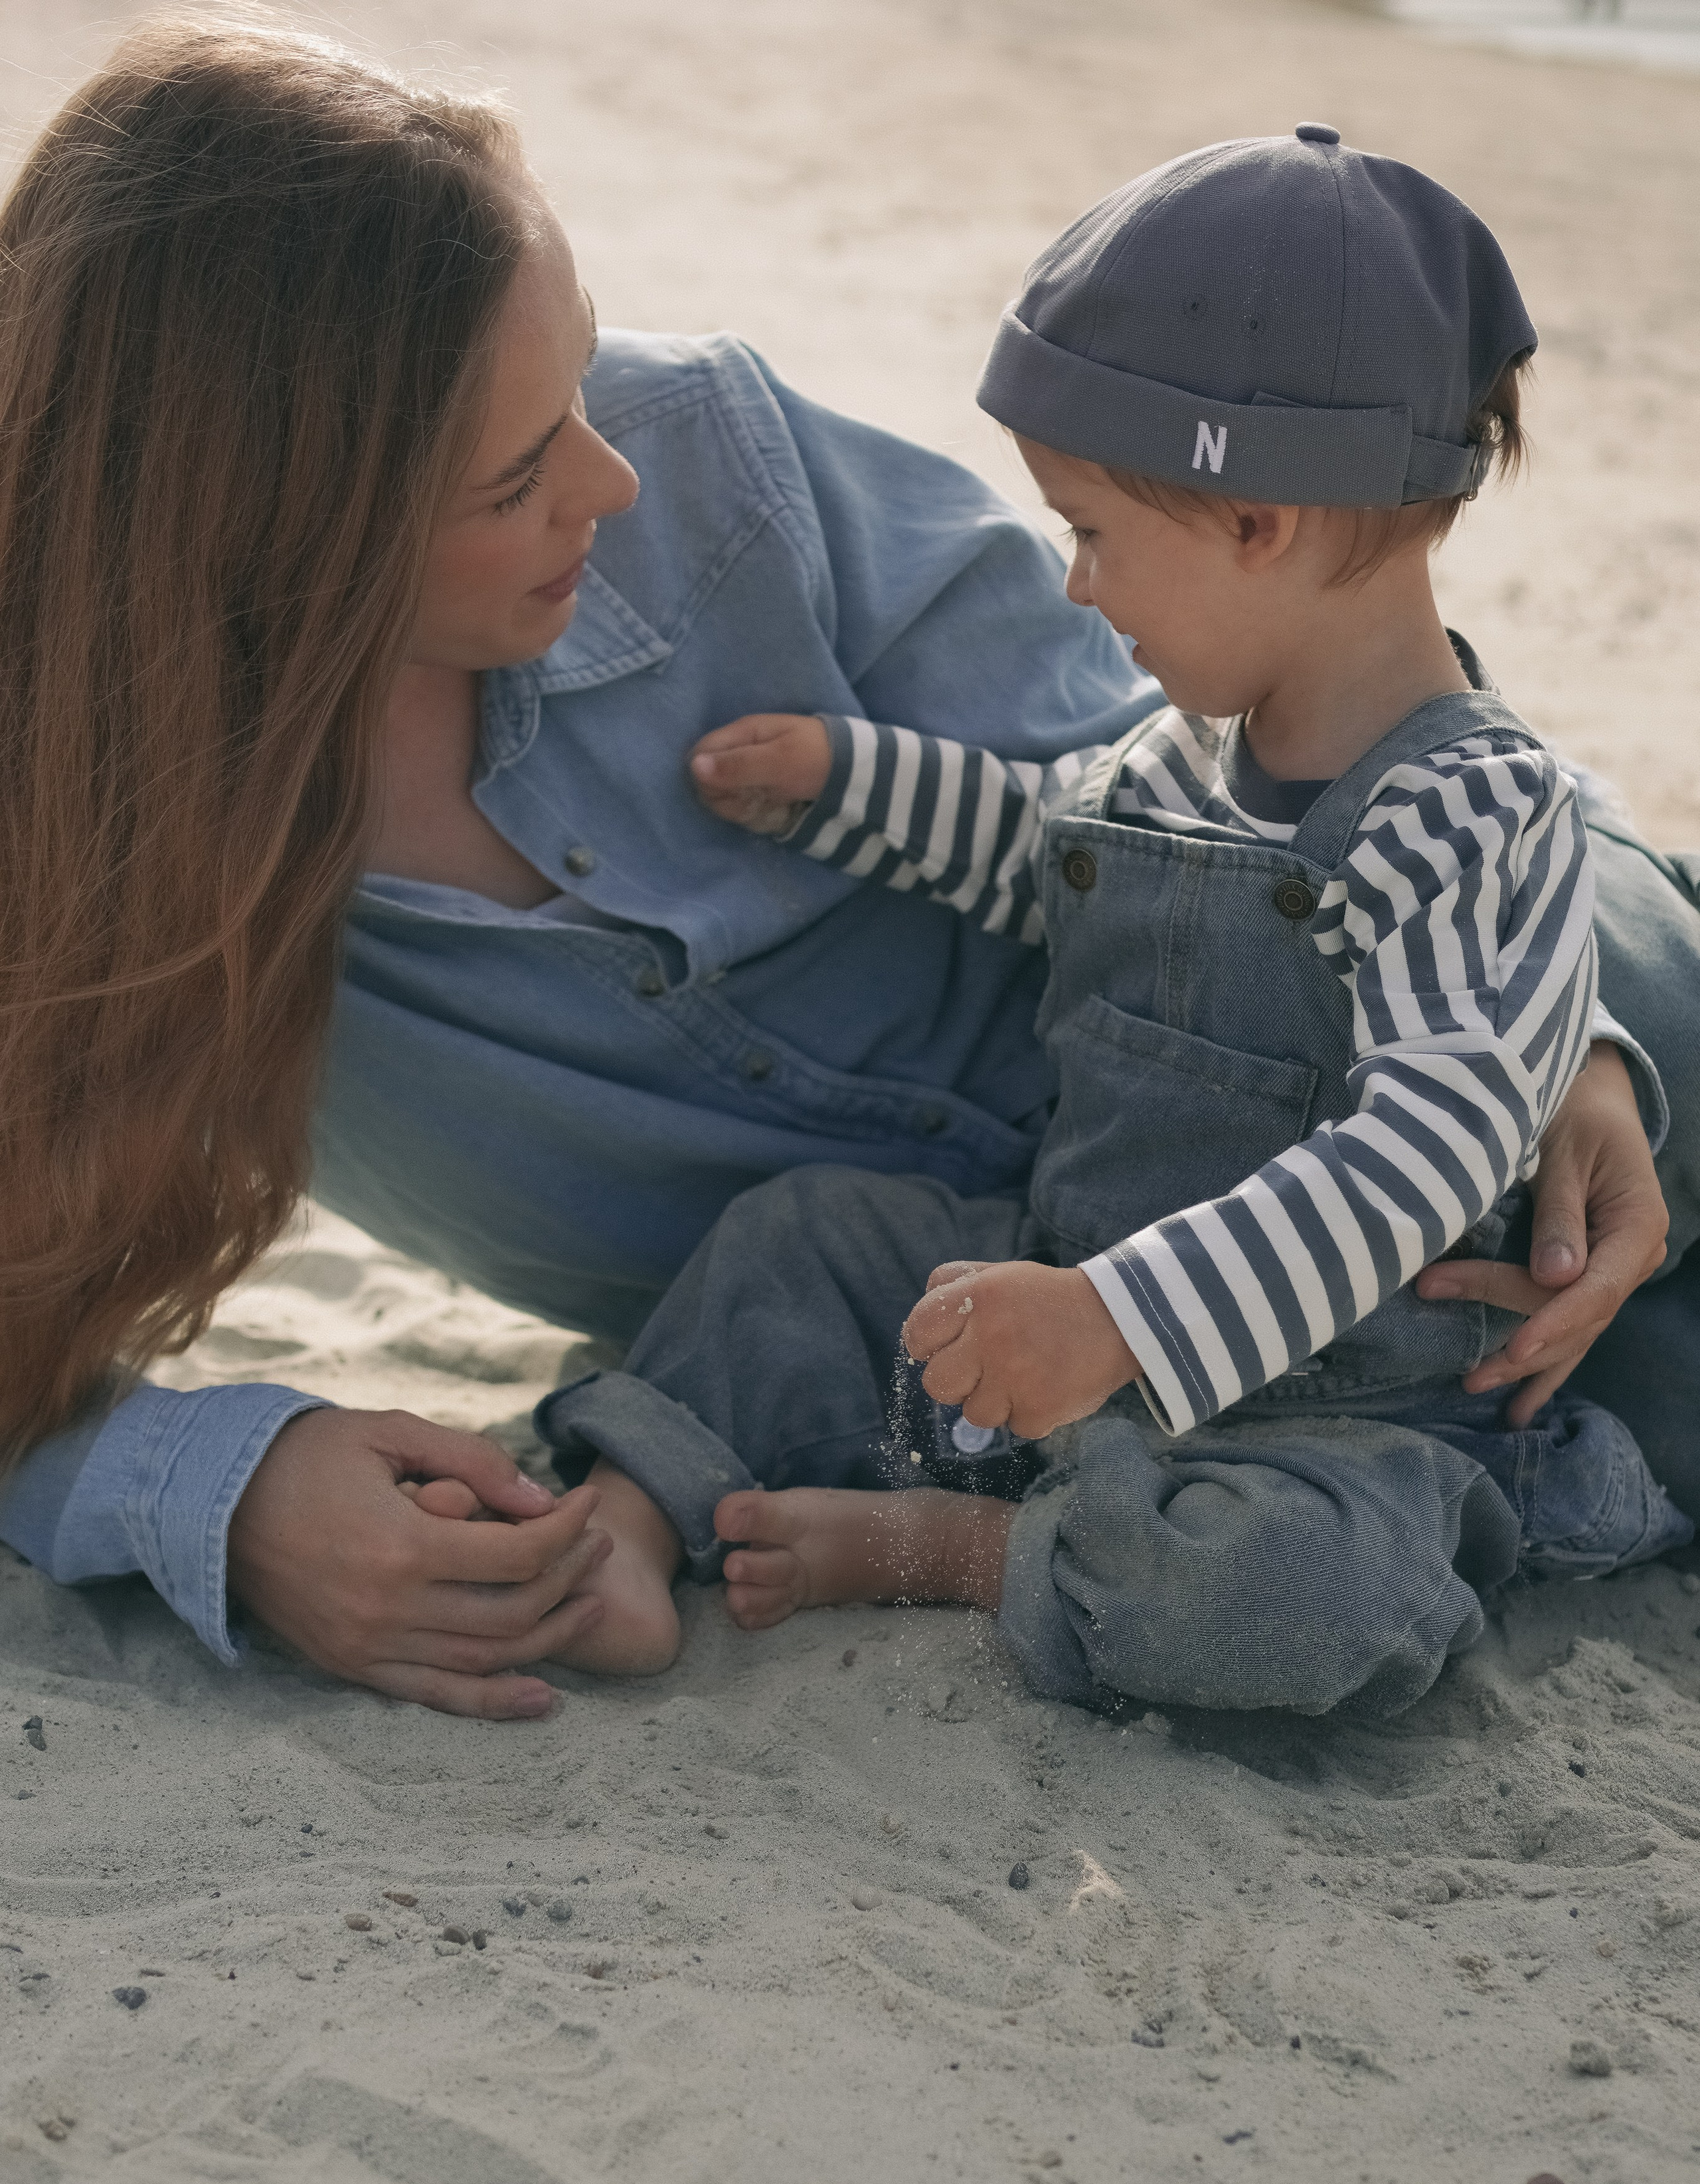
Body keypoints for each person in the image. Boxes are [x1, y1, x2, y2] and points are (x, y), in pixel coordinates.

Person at [0, 33, 1687, 1719]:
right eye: (516, 477)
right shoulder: (85, 869)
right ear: (269, 538)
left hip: (1447, 1150)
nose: (613, 478)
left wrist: (1564, 1036)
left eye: (579, 386)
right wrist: (231, 1490)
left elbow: (1271, 764)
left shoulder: (714, 463)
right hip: (938, 1318)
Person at [533, 130, 1692, 1719]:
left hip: (1338, 1419)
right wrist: (848, 781)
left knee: (1293, 1600)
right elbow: (1044, 849)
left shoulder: (1469, 813)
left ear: (1252, 519)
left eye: (1088, 530)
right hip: (1056, 1289)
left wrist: (1121, 1321)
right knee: (799, 1242)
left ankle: (954, 1547)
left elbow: (1421, 1152)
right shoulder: (1182, 752)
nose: (1075, 584)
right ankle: (621, 1509)